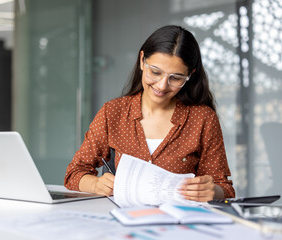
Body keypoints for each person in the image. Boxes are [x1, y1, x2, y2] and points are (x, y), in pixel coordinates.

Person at [64, 25, 235, 202]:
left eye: (175, 78)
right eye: (155, 72)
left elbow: (225, 188)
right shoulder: (113, 112)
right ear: (141, 60)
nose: (162, 86)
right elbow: (73, 174)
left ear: (189, 75)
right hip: (121, 222)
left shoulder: (202, 118)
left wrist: (212, 191)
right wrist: (95, 184)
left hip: (179, 223)